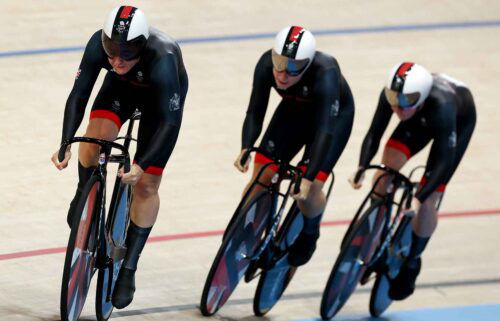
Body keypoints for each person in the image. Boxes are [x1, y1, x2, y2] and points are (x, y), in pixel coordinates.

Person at [50, 5, 188, 309]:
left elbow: (169, 123)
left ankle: (129, 268)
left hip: (159, 105)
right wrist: (65, 143)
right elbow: (79, 94)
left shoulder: (162, 57)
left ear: (141, 46)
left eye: (126, 53)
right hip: (120, 90)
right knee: (93, 137)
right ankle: (84, 192)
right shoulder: (98, 46)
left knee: (147, 186)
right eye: (112, 50)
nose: (117, 59)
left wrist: (141, 164)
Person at [349, 62, 476, 300]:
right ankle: (376, 230)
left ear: (420, 97)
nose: (397, 107)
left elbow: (443, 163)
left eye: (405, 101)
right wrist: (362, 166)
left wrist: (418, 198)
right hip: (418, 117)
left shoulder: (443, 105)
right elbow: (375, 132)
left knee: (428, 199)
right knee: (385, 173)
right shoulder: (396, 97)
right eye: (394, 99)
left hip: (456, 123)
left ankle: (412, 261)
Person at [234, 26, 355, 267]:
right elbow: (255, 111)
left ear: (308, 64)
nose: (283, 74)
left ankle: (310, 233)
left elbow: (324, 131)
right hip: (295, 109)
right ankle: (246, 235)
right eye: (279, 63)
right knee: (261, 177)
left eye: (293, 68)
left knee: (307, 190)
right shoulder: (266, 65)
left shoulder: (327, 71)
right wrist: (246, 146)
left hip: (332, 119)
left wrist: (309, 177)